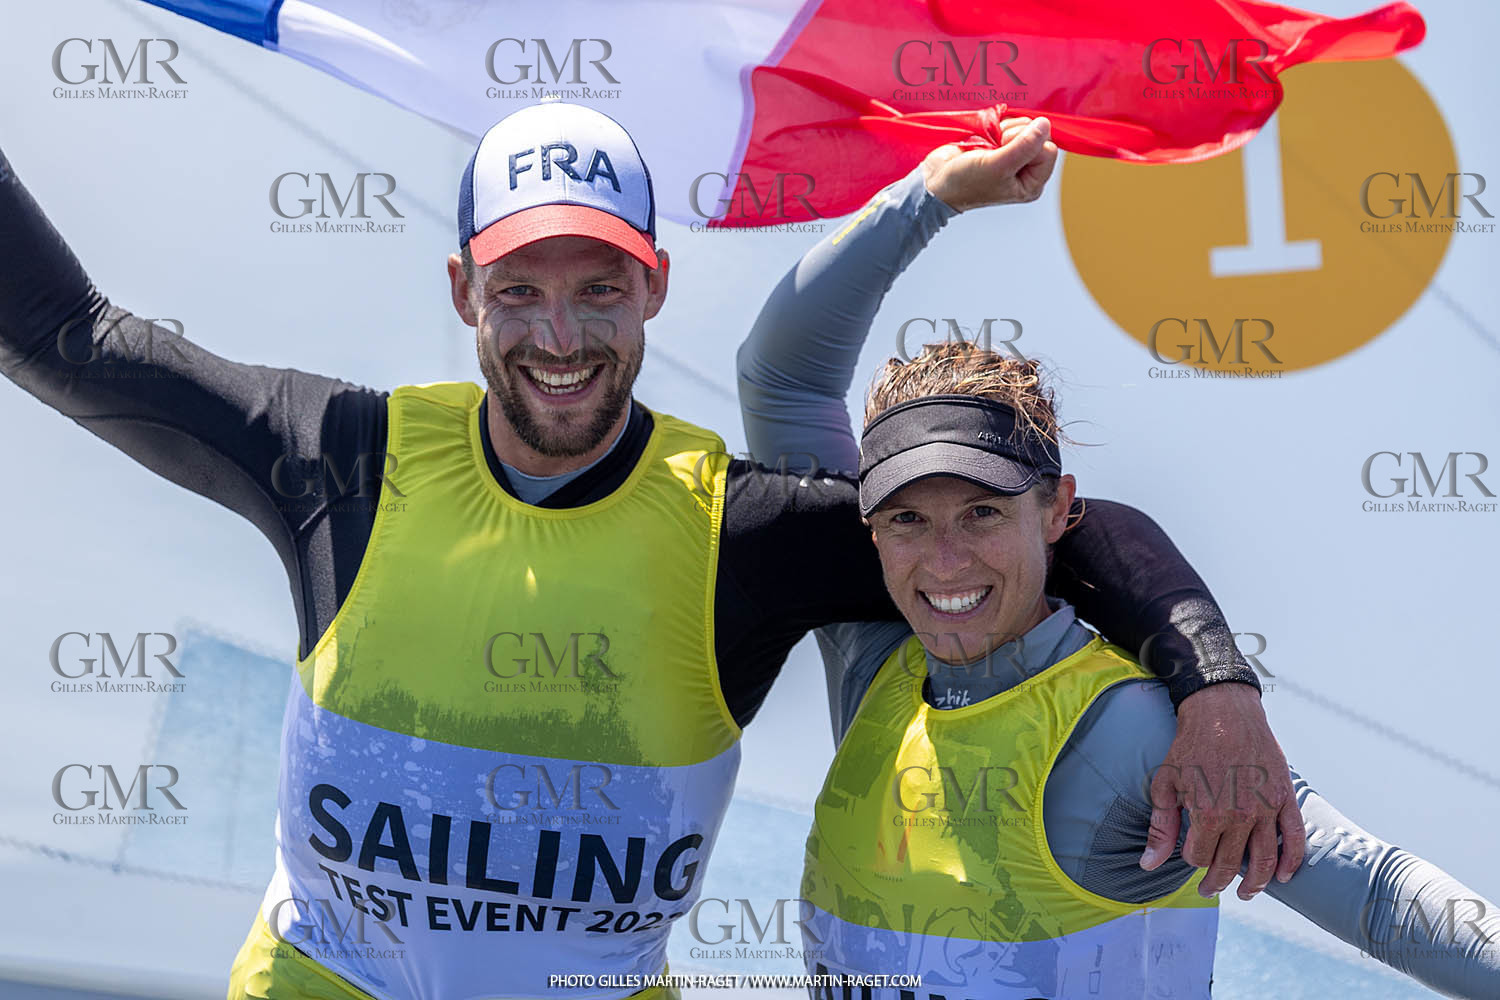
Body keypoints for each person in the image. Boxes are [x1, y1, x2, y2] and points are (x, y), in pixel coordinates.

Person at [3, 104, 1279, 1000]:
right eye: (519, 290)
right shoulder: (346, 458)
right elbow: (70, 336)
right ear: (463, 292)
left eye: (599, 287)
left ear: (656, 286)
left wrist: (1215, 681)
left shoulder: (744, 530)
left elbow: (1047, 522)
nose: (560, 334)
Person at [737, 116, 1500, 998]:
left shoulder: (1133, 731)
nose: (944, 560)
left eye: (983, 512)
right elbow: (782, 377)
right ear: (871, 528)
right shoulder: (871, 664)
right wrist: (935, 196)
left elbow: (1376, 896)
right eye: (907, 520)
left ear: (1058, 510)